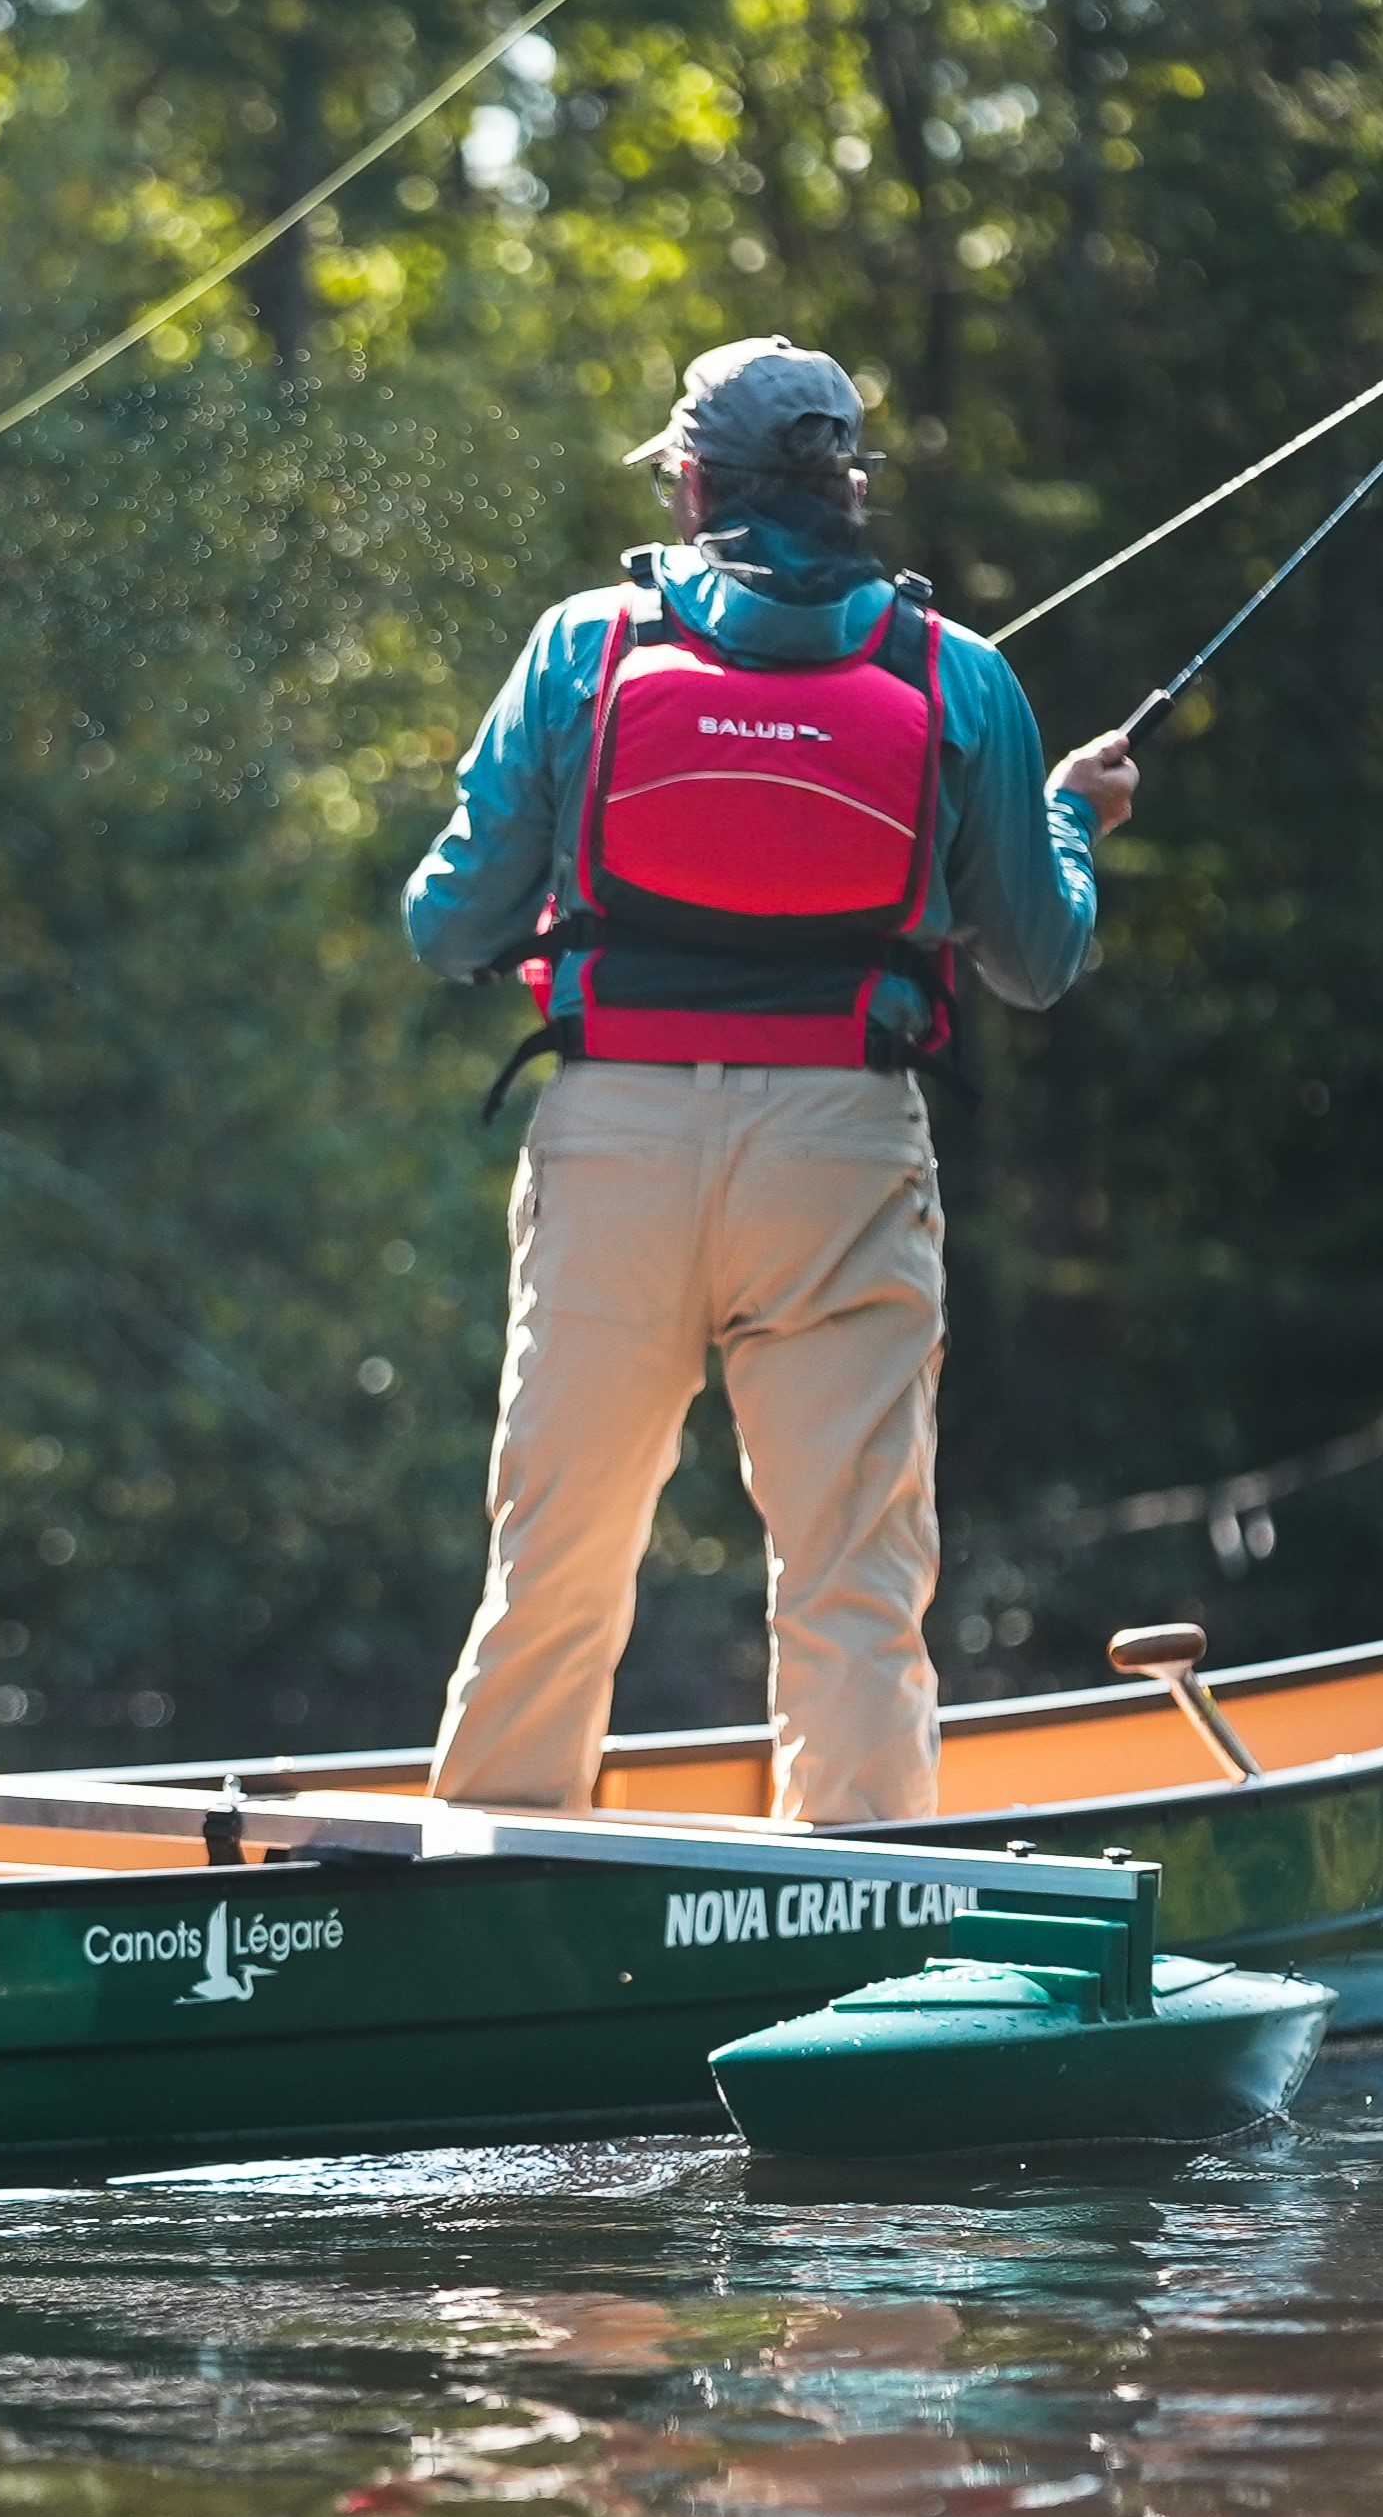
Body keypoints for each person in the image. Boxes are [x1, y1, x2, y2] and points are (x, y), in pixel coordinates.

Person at [403, 336, 1137, 1826]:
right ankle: (860, 1912)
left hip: (615, 1140)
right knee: (852, 1568)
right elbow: (1034, 960)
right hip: (840, 1149)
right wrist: (1067, 818)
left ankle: (485, 1891)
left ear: (691, 483)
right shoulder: (963, 677)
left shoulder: (581, 647)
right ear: (849, 487)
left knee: (556, 1557)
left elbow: (447, 924)